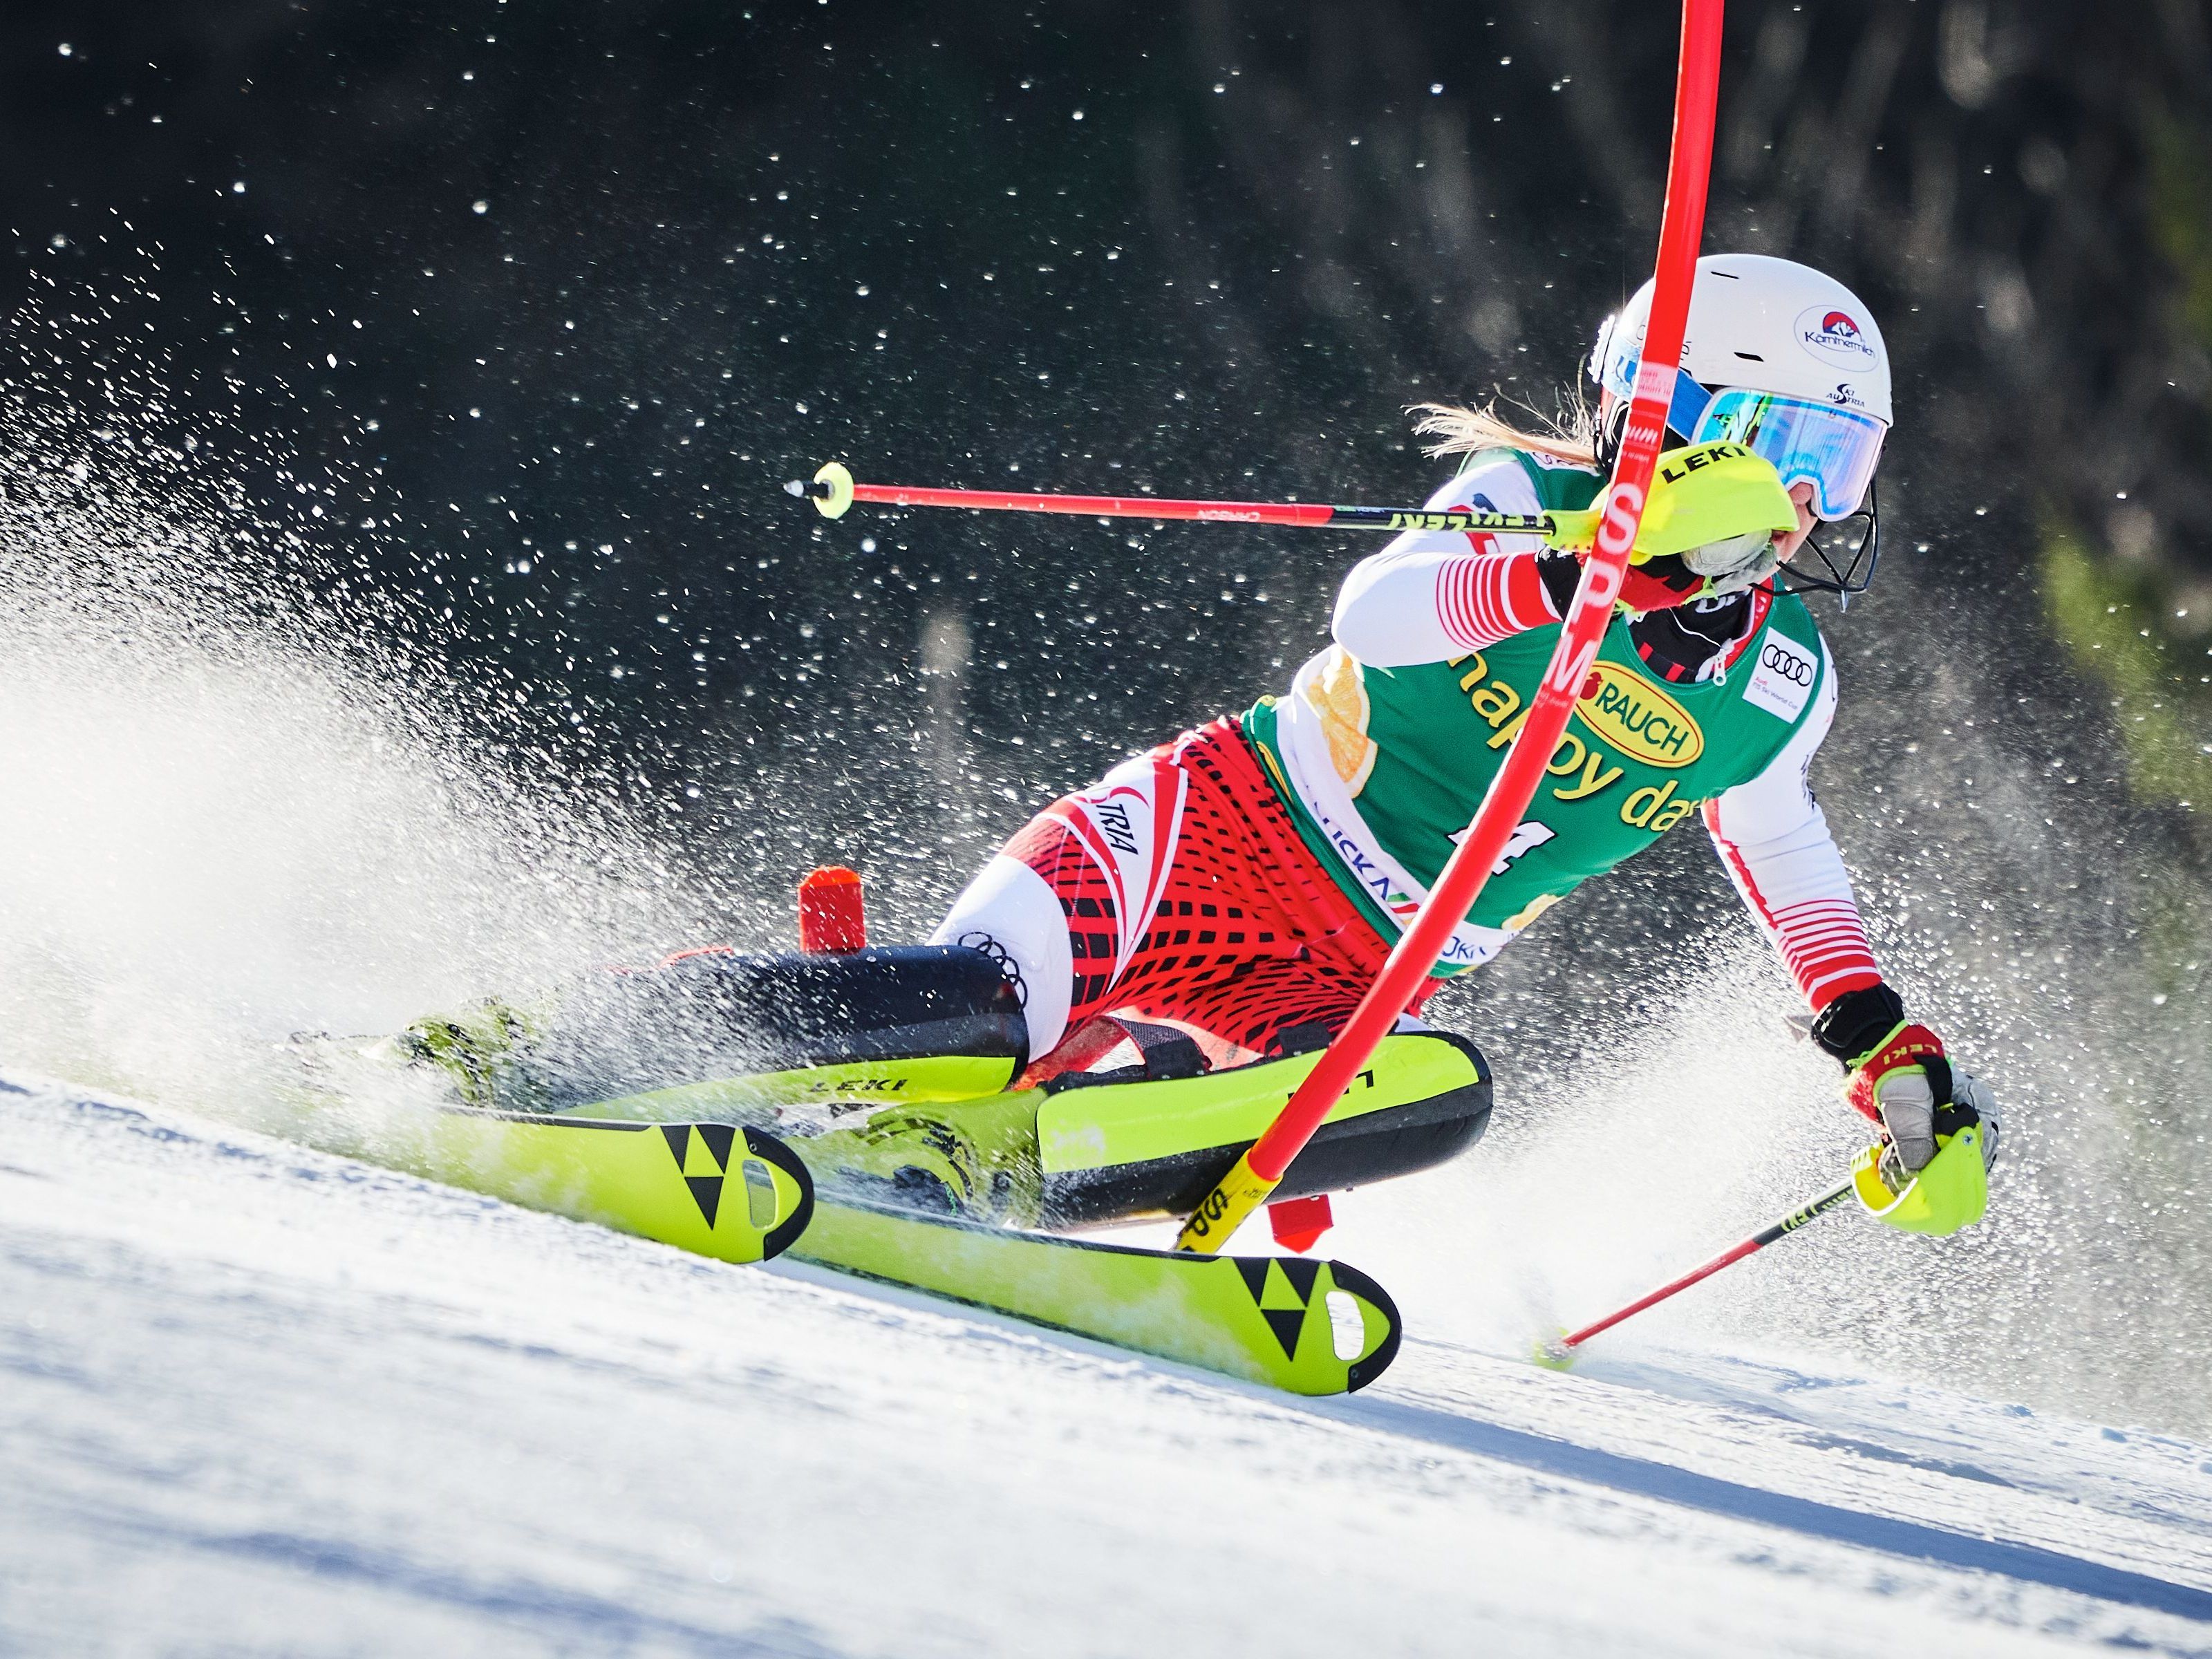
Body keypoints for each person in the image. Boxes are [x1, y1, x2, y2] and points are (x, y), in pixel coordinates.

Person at [409, 253, 1995, 1241]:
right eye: (1784, 448)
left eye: (1837, 464)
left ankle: (994, 1167)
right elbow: (1381, 613)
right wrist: (1583, 574)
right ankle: (582, 1040)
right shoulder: (1534, 511)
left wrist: (1875, 1038)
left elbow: (1778, 841)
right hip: (1208, 836)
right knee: (981, 1007)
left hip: (1361, 965)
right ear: (1670, 422)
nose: (1806, 507)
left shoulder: (1780, 681)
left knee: (1433, 1093)